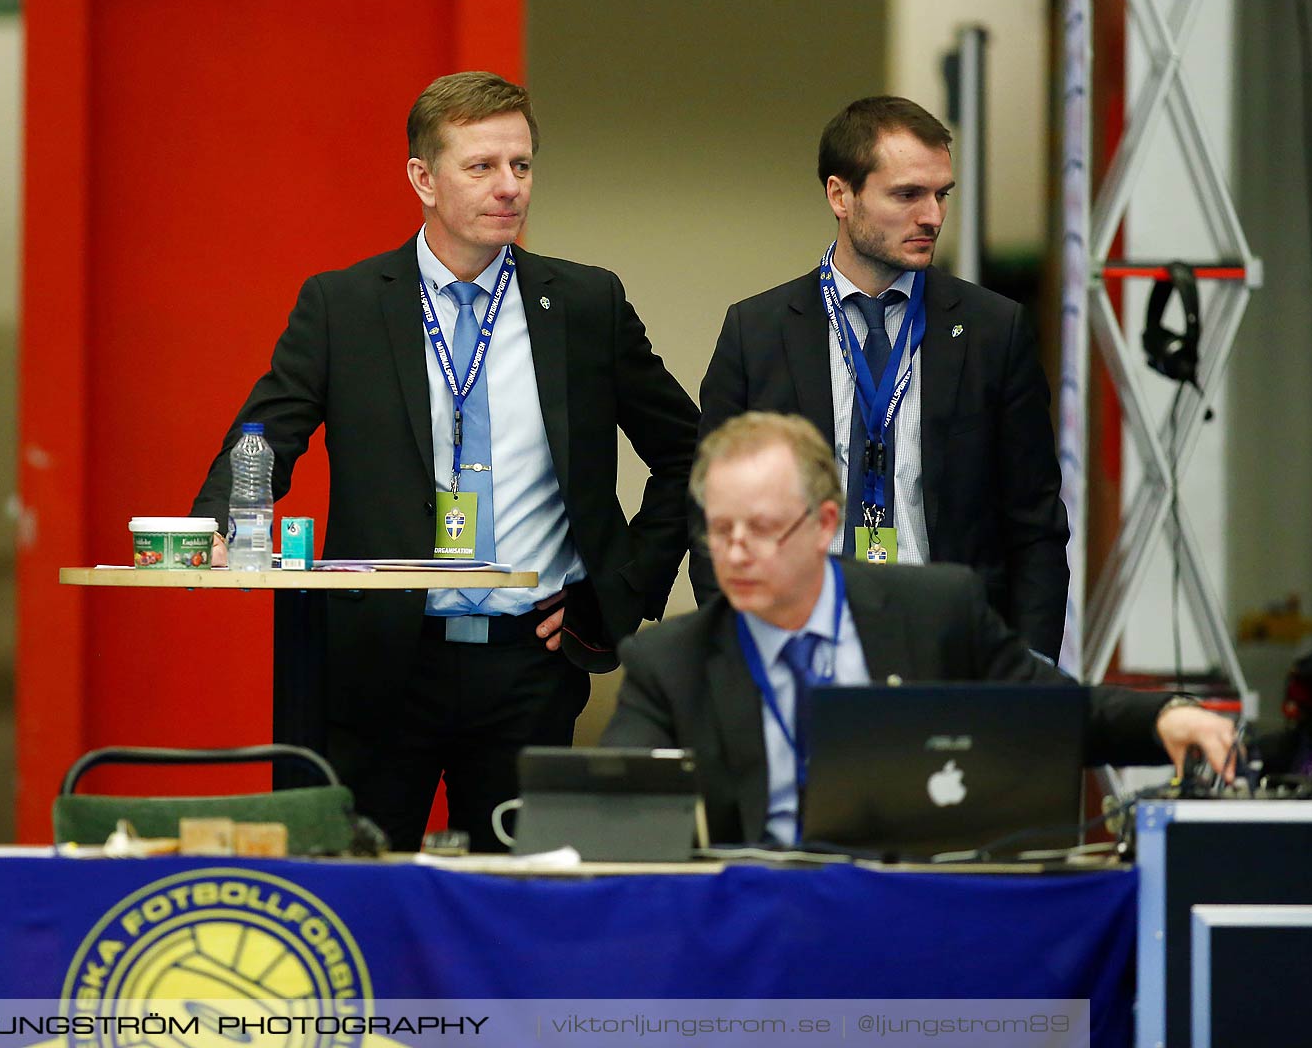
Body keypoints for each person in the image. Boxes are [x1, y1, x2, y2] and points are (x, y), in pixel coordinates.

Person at [192, 71, 700, 851]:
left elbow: (689, 454)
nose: (509, 188)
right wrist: (215, 525)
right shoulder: (346, 305)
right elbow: (269, 431)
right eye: (482, 167)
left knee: (517, 903)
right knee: (361, 893)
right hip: (383, 664)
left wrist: (620, 587)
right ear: (422, 179)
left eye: (522, 166)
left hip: (529, 664)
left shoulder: (586, 305)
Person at [605, 412, 1234, 846]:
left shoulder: (933, 613)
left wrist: (1162, 720)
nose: (735, 553)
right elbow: (609, 804)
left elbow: (1050, 711)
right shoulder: (672, 662)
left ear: (826, 525)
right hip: (755, 927)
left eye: (763, 529)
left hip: (913, 905)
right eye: (720, 531)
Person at [694, 96, 1070, 660]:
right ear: (840, 195)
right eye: (907, 195)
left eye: (941, 194)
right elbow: (712, 510)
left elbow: (1035, 523)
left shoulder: (994, 330)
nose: (933, 217)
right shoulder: (759, 331)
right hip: (801, 642)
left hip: (953, 646)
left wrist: (1032, 669)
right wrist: (740, 649)